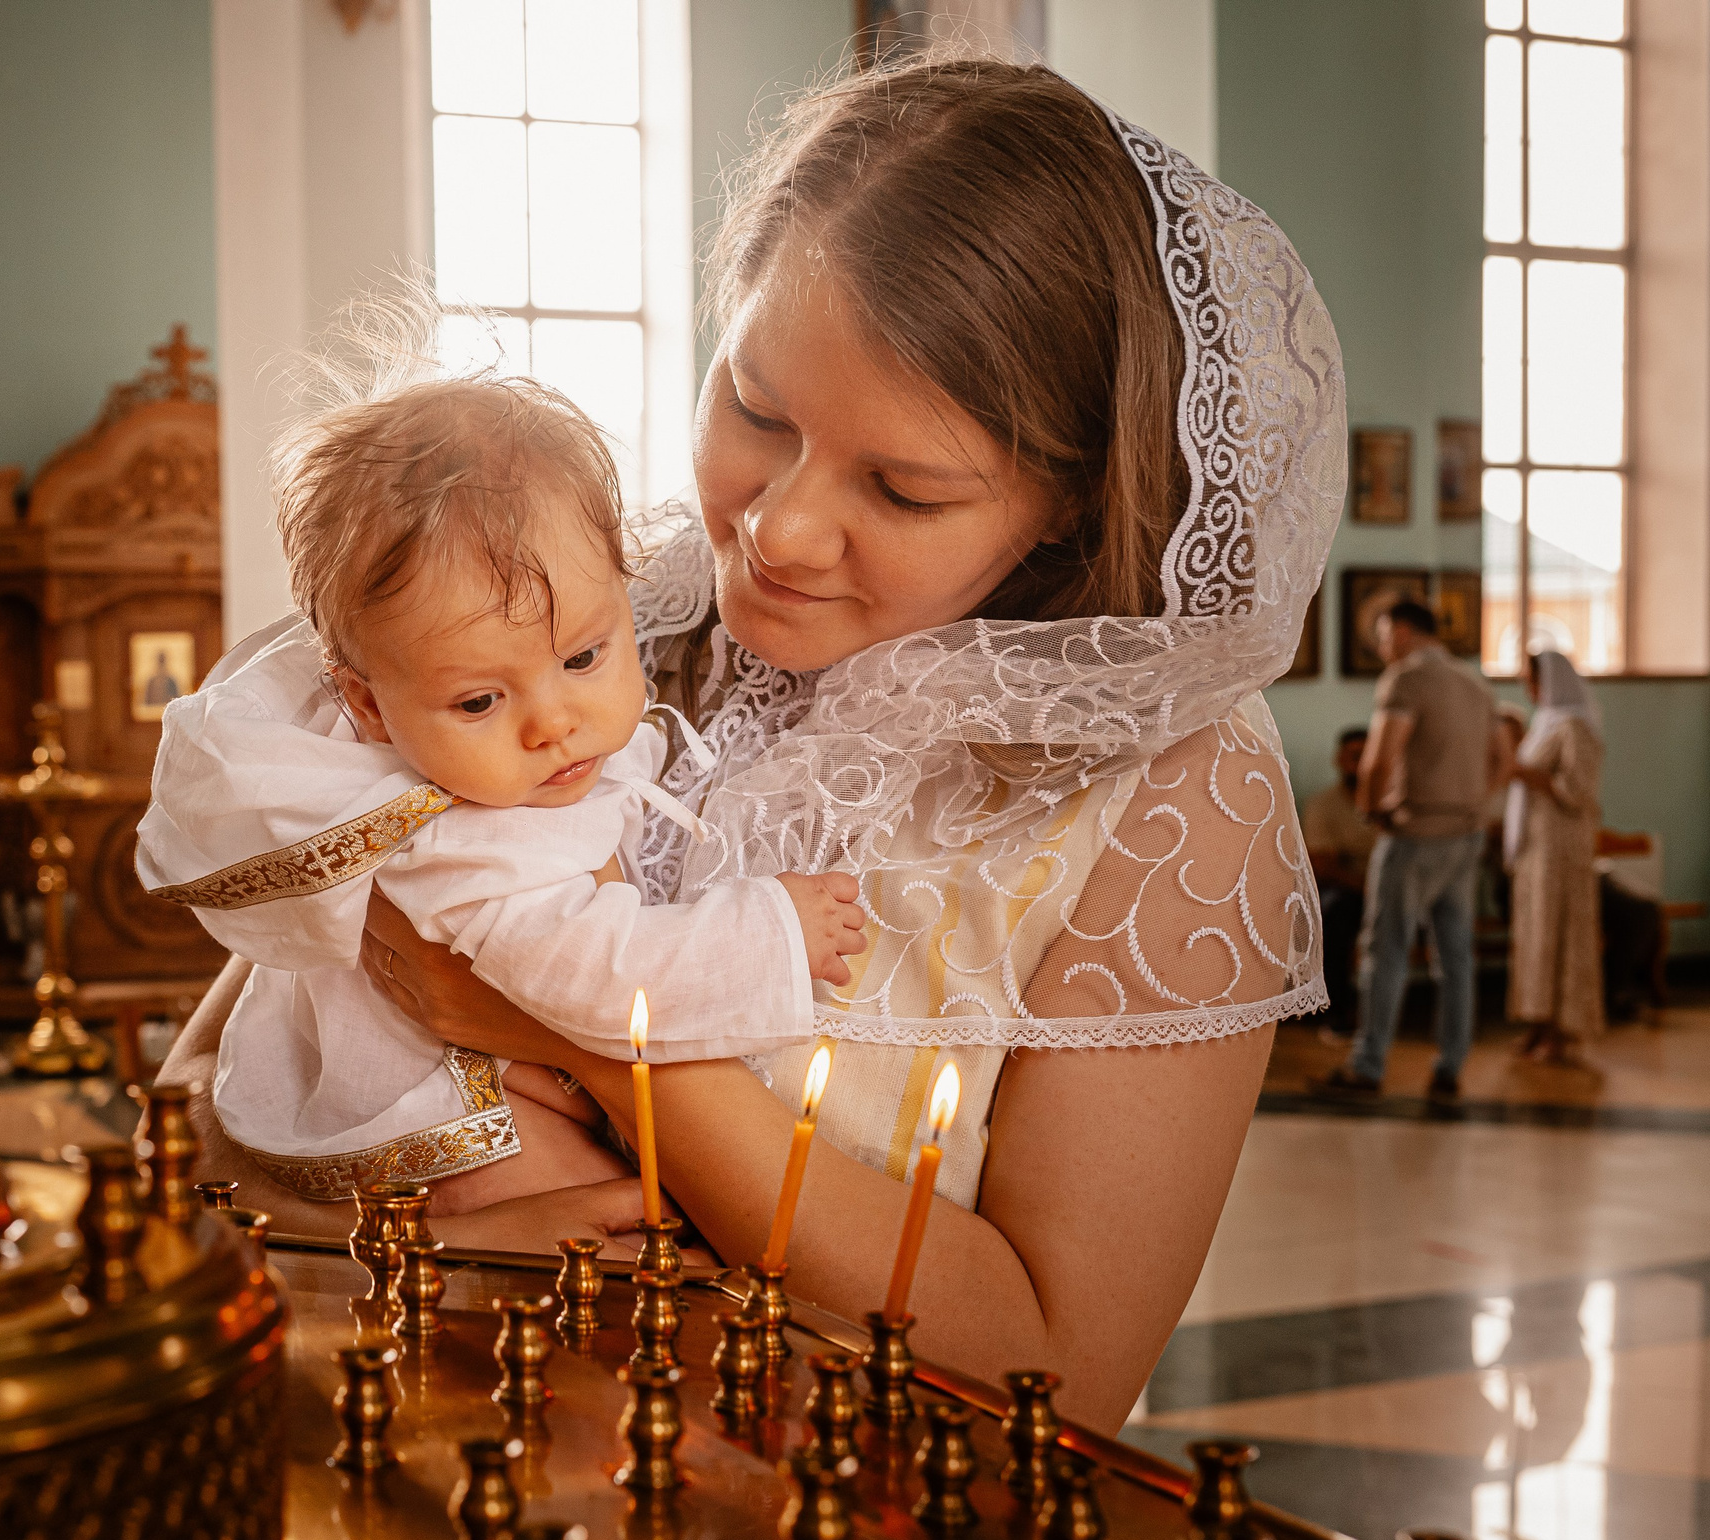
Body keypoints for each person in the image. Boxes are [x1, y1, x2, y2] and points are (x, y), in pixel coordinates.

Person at [160, 56, 1340, 1428]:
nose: (777, 529)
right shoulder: (594, 623)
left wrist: (592, 1038)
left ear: (1069, 504)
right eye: (757, 410)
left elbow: (1060, 1376)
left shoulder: (1175, 783)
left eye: (904, 488)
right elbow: (199, 1106)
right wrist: (420, 1255)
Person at [135, 366, 869, 1214]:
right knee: (632, 1224)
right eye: (481, 701)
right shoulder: (459, 837)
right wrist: (770, 929)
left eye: (583, 656)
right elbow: (598, 970)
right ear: (368, 706)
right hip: (441, 1121)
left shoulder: (518, 766)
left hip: (505, 1089)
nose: (553, 723)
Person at [1320, 600, 1503, 1099]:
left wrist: (1370, 809)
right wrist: (1473, 805)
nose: (1381, 647)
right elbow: (1502, 758)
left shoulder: (1406, 678)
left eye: (1383, 635)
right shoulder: (1475, 683)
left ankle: (1368, 1065)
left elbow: (1380, 758)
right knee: (1456, 956)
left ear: (1402, 630)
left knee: (1386, 951)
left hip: (1415, 833)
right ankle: (1449, 1067)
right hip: (1466, 835)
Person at [1505, 650, 1605, 1064]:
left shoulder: (1574, 726)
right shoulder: (1544, 724)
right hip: (1537, 844)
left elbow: (1579, 790)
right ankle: (1538, 1021)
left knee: (1561, 931)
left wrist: (1522, 773)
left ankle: (1563, 1029)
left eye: (1532, 680)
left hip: (1562, 845)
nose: (1528, 689)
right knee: (1536, 932)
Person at [1301, 726, 1378, 1034]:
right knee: (1334, 911)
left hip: (1393, 891)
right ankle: (1337, 1009)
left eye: (1367, 756)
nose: (1360, 764)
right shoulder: (1323, 805)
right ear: (1340, 760)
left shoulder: (1391, 801)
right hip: (1351, 892)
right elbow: (1323, 866)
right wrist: (1367, 887)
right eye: (1354, 756)